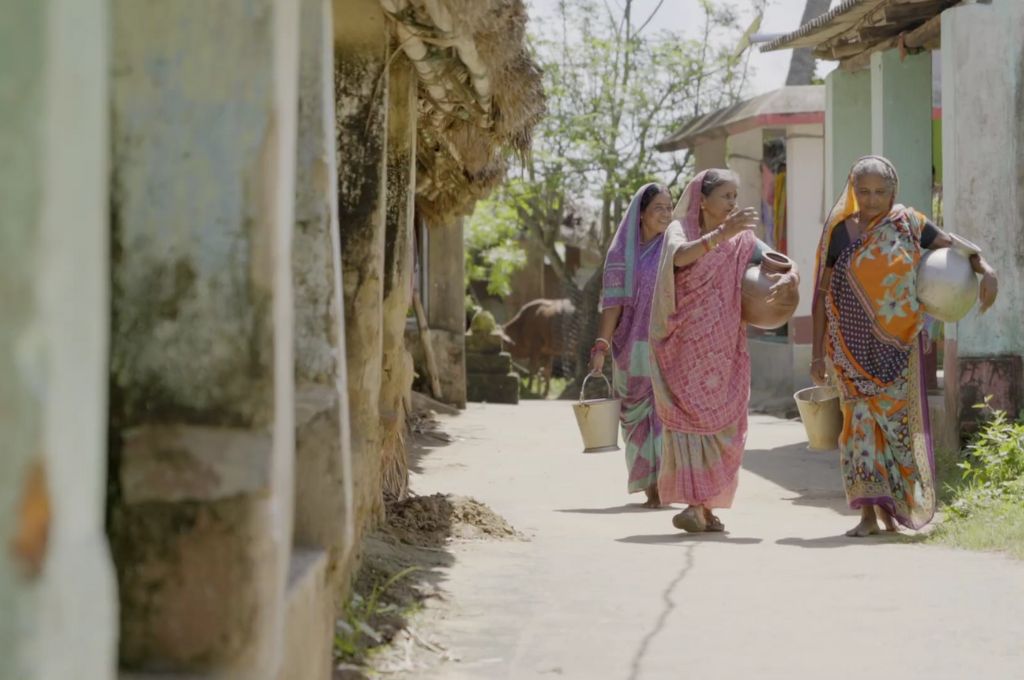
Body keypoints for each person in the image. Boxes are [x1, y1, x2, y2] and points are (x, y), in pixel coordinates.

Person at [810, 155, 998, 537]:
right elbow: (822, 294)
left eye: (880, 191)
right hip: (849, 350)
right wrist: (817, 353)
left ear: (893, 191)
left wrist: (985, 268)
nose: (872, 198)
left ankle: (895, 510)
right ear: (853, 191)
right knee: (859, 432)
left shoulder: (909, 224)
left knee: (898, 431)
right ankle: (866, 515)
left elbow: (955, 245)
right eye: (864, 191)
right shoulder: (841, 233)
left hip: (899, 351)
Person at [649, 169, 798, 531]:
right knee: (690, 423)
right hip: (686, 346)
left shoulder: (743, 239)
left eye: (735, 196)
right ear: (703, 200)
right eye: (726, 196)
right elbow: (679, 259)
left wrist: (791, 275)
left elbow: (774, 260)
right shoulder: (680, 231)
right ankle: (694, 504)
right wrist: (720, 235)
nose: (733, 203)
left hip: (725, 348)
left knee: (725, 425)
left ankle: (706, 506)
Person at [590, 183, 673, 508]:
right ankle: (649, 484)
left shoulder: (673, 247)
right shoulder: (621, 255)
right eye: (659, 208)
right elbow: (612, 306)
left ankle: (664, 484)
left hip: (667, 346)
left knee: (665, 416)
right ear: (641, 214)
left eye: (670, 207)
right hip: (631, 348)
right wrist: (601, 347)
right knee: (637, 419)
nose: (666, 214)